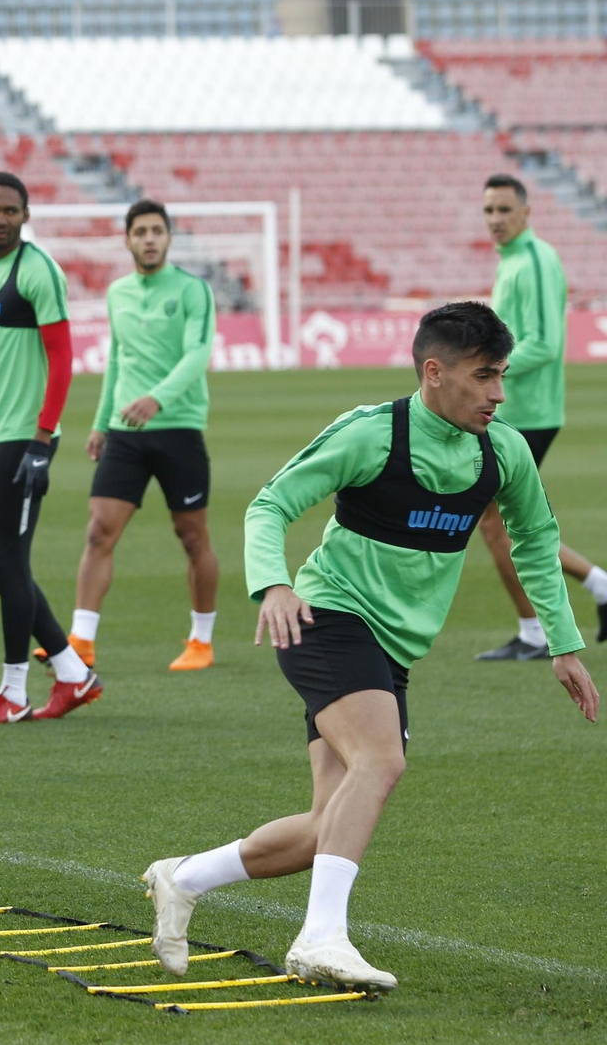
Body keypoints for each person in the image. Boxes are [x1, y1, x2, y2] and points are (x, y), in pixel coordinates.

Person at [142, 302, 597, 992]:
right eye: (485, 377)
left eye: (503, 375)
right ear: (434, 371)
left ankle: (184, 876)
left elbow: (534, 540)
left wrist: (564, 644)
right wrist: (272, 585)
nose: (500, 394)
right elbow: (270, 504)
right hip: (323, 619)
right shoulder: (371, 434)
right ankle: (321, 937)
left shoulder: (500, 451)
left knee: (328, 822)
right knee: (382, 761)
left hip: (392, 650)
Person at [0, 171, 99, 725]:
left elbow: (62, 359)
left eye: (11, 210)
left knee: (9, 559)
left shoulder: (38, 272)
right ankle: (73, 673)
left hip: (25, 438)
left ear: (25, 216)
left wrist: (42, 439)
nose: (1, 219)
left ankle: (13, 692)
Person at [61, 199, 220, 672]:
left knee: (192, 536)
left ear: (168, 238)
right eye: (140, 232)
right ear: (127, 239)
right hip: (126, 433)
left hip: (178, 429)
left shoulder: (193, 290)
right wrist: (100, 421)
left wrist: (157, 399)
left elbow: (198, 355)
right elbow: (117, 360)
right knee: (98, 533)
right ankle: (82, 641)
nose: (149, 239)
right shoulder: (118, 293)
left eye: (157, 231)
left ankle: (201, 640)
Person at [475, 174, 607, 659]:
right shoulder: (514, 260)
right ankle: (596, 588)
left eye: (505, 210)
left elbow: (547, 344)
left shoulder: (533, 260)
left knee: (498, 523)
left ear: (526, 213)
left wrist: (488, 368)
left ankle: (536, 632)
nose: (496, 220)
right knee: (503, 521)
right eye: (489, 211)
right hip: (517, 410)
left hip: (525, 412)